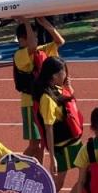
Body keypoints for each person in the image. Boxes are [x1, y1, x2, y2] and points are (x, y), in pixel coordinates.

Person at [35, 56, 84, 193]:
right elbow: (48, 128)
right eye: (64, 71)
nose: (66, 74)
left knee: (85, 176)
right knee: (55, 186)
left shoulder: (59, 89)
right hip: (63, 147)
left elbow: (71, 107)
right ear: (54, 75)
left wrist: (68, 86)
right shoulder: (46, 98)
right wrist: (53, 156)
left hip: (74, 143)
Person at [13, 17, 64, 162]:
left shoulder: (40, 51)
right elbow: (32, 46)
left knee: (41, 143)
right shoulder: (20, 55)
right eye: (31, 37)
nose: (35, 40)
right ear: (22, 40)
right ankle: (16, 166)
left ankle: (38, 169)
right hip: (29, 103)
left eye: (35, 37)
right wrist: (27, 22)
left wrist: (46, 24)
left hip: (41, 101)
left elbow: (60, 41)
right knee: (34, 143)